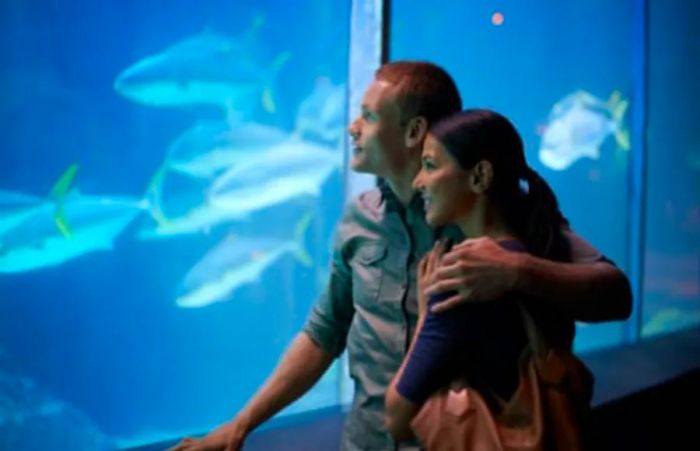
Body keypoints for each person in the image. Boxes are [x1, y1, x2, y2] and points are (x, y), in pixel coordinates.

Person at [170, 61, 631, 451]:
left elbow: (615, 293)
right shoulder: (359, 219)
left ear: (413, 131)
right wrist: (242, 423)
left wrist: (519, 271)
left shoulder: (485, 212)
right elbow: (324, 332)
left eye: (368, 116)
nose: (352, 127)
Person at [384, 108, 587, 445]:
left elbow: (398, 417)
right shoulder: (541, 251)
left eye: (431, 166)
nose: (419, 181)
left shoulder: (464, 279)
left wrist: (425, 314)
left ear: (479, 176)